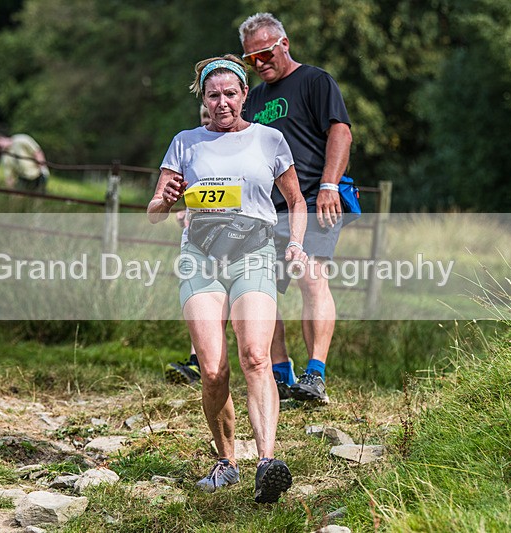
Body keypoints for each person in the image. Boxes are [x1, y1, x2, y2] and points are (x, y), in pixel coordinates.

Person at [148, 55, 307, 503]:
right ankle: (226, 462)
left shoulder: (269, 139)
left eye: (230, 94)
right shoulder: (186, 142)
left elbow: (296, 200)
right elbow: (154, 212)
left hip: (253, 254)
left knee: (255, 355)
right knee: (213, 368)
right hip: (200, 259)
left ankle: (267, 462)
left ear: (244, 95)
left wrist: (296, 243)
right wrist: (167, 200)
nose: (222, 102)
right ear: (204, 98)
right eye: (213, 95)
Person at [239, 12, 353, 403]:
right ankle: (281, 373)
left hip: (312, 199)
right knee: (260, 290)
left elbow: (340, 131)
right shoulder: (253, 100)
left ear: (284, 44)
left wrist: (329, 184)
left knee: (311, 277)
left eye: (265, 54)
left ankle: (315, 374)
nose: (259, 63)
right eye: (250, 59)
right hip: (263, 210)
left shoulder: (315, 81)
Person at [164, 104, 212, 386]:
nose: (208, 120)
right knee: (200, 301)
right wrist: (184, 209)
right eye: (204, 115)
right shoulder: (191, 147)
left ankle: (277, 367)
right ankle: (198, 363)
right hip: (198, 240)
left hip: (239, 242)